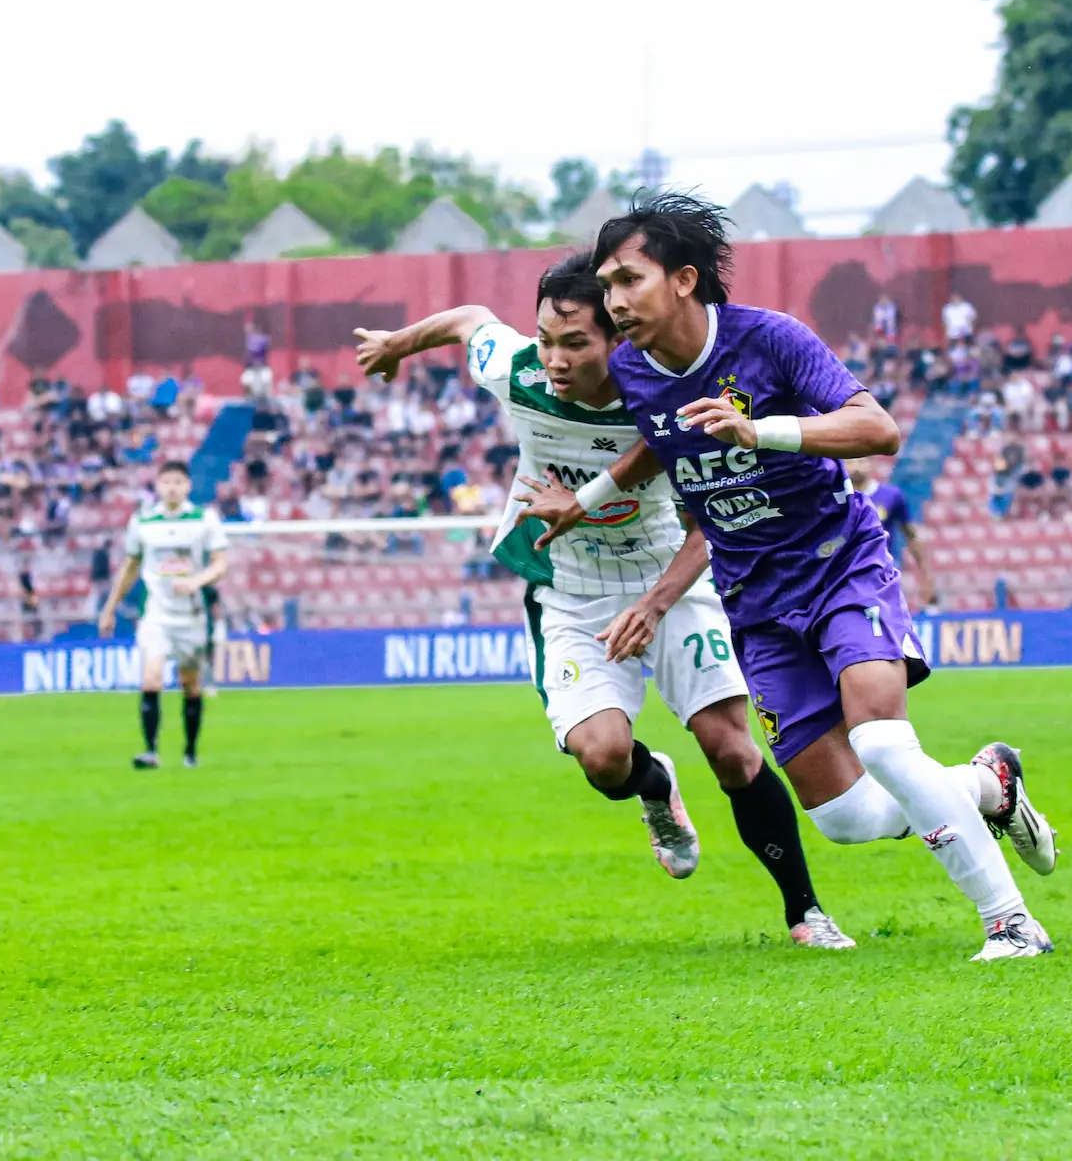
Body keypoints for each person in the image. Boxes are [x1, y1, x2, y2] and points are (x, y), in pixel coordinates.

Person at [548, 193, 1056, 961]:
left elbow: (876, 428)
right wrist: (584, 502)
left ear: (684, 280)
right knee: (847, 817)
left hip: (838, 565)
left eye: (628, 280)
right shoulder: (632, 369)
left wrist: (762, 431)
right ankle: (988, 786)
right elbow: (658, 439)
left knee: (884, 742)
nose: (614, 300)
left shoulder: (771, 340)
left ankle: (1012, 924)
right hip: (756, 602)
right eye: (607, 285)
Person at [354, 254, 864, 947]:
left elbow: (707, 531)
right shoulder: (520, 373)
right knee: (603, 757)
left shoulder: (664, 400)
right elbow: (470, 320)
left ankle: (804, 911)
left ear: (618, 341)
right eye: (545, 339)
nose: (554, 359)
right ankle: (654, 786)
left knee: (734, 753)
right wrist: (393, 346)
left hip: (670, 583)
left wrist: (653, 604)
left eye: (575, 343)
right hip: (569, 591)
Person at [97, 461, 227, 769]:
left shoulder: (204, 519)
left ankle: (190, 752)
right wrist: (109, 608)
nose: (171, 487)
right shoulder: (143, 521)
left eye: (177, 482)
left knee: (190, 685)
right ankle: (150, 751)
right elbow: (129, 568)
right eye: (166, 482)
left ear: (187, 486)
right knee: (151, 678)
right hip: (156, 614)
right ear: (157, 485)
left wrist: (196, 581)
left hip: (191, 616)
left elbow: (221, 563)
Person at [845, 459, 936, 609]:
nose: (856, 468)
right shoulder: (837, 499)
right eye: (850, 463)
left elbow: (910, 535)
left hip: (883, 570)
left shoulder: (891, 495)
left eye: (861, 462)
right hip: (847, 571)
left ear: (870, 463)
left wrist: (925, 572)